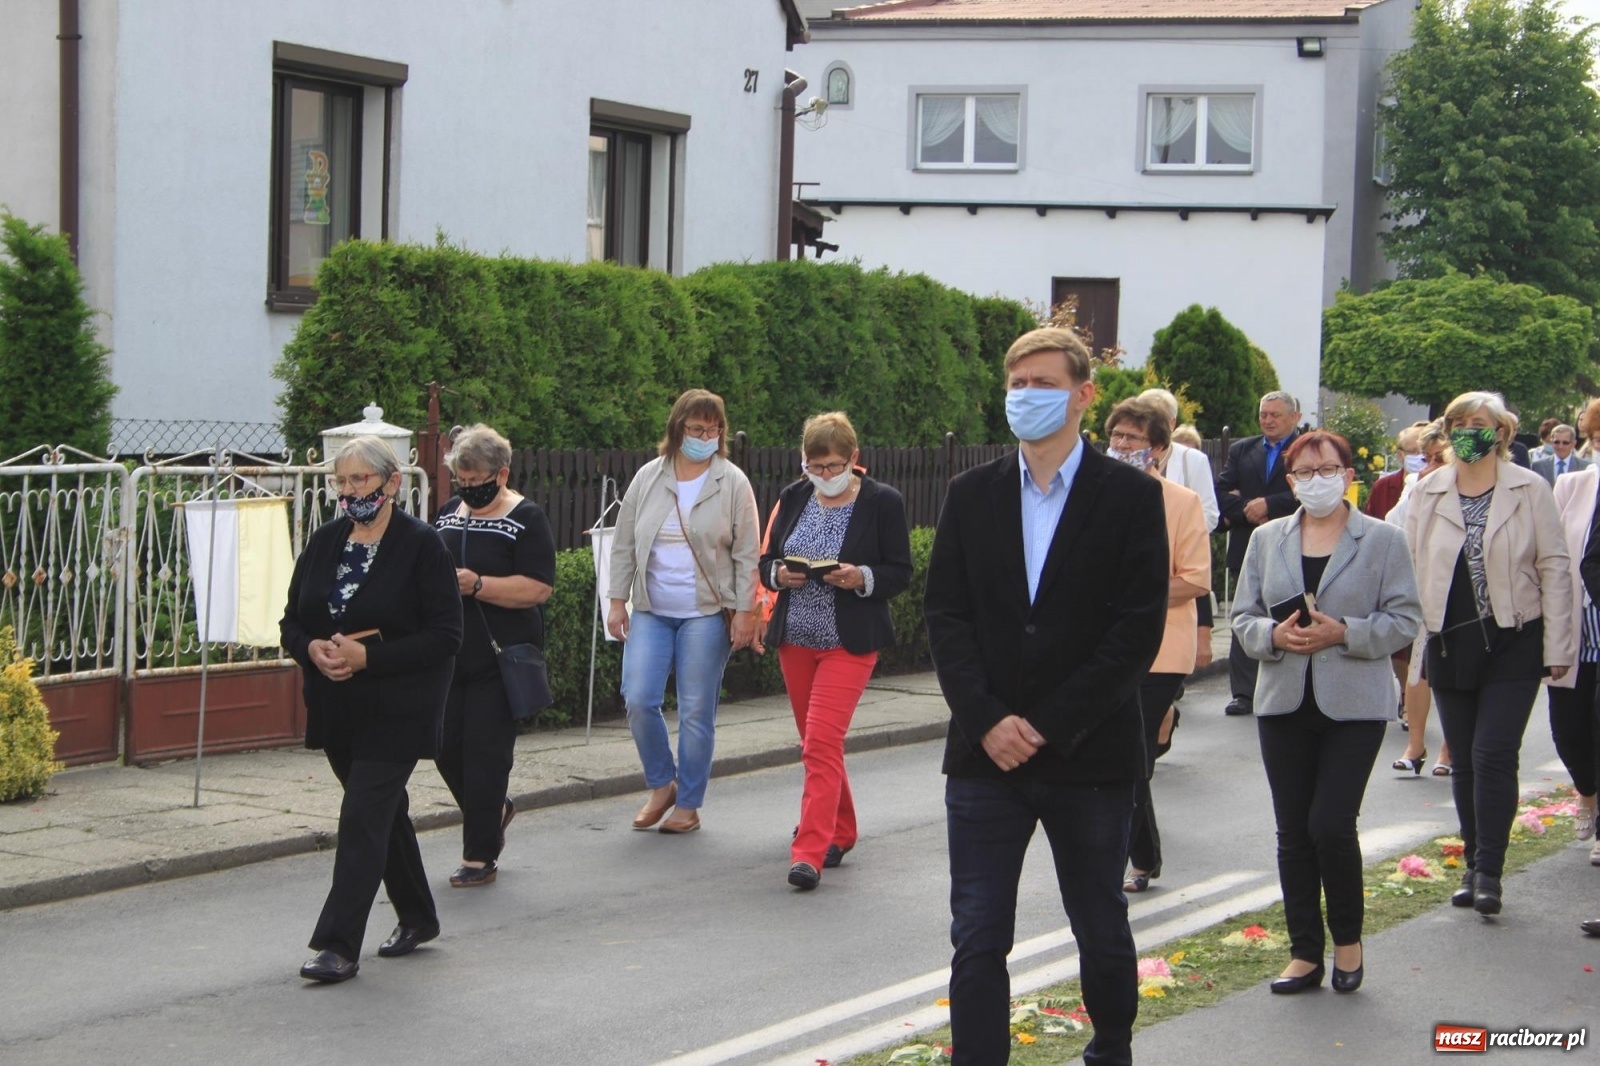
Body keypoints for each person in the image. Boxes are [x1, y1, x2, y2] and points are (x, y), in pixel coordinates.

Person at [925, 327, 1168, 1066]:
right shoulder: (972, 495)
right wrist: (987, 719)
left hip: (1088, 755)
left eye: (1043, 383)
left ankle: (1111, 1048)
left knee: (1099, 920)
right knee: (977, 933)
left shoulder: (1129, 497)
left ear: (1084, 396)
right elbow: (947, 616)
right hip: (983, 756)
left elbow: (1135, 630)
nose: (1026, 396)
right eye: (1017, 384)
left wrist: (1049, 724)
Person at [1233, 430, 1422, 995]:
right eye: (1305, 472)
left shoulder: (1383, 539)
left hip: (1354, 704)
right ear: (1290, 482)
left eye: (1328, 469)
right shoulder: (1267, 538)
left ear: (1346, 475)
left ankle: (1348, 942)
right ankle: (1303, 953)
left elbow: (1405, 619)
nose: (1317, 480)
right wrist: (1274, 635)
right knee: (1293, 830)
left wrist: (1348, 633)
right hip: (1283, 699)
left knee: (1331, 824)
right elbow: (1243, 616)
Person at [280, 436, 463, 982]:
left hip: (400, 707)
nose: (352, 490)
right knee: (384, 815)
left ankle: (338, 945)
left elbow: (446, 636)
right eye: (342, 481)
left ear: (392, 483)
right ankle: (418, 916)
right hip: (337, 707)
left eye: (362, 480)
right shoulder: (325, 542)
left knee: (361, 817)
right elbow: (293, 619)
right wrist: (309, 648)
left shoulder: (421, 545)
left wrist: (369, 657)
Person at [1404, 391, 1572, 917]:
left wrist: (1558, 645)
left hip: (1512, 637)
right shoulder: (1427, 490)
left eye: (1480, 423)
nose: (1468, 432)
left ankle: (1492, 873)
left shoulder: (1529, 487)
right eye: (1458, 423)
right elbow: (1410, 569)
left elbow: (1555, 566)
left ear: (1501, 432)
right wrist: (1413, 645)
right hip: (1450, 640)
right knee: (1464, 760)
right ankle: (1473, 862)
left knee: (1493, 753)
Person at [760, 412, 912, 890]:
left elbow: (900, 571)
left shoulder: (883, 502)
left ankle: (808, 851)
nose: (823, 476)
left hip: (848, 642)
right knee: (817, 746)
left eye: (832, 466)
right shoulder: (794, 495)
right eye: (814, 466)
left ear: (854, 459)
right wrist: (778, 575)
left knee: (821, 744)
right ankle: (841, 830)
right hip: (795, 640)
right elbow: (767, 559)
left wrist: (861, 577)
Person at [607, 389, 761, 834]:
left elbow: (748, 552)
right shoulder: (648, 478)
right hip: (654, 608)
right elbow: (623, 543)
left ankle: (688, 802)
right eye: (696, 429)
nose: (705, 437)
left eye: (713, 430)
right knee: (638, 697)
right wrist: (618, 600)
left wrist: (746, 611)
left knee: (696, 710)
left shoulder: (731, 481)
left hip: (707, 613)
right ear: (678, 430)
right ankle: (662, 782)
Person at [433, 424, 556, 887]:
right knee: (444, 747)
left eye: (476, 478)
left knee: (485, 755)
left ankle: (479, 854)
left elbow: (538, 587)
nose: (468, 487)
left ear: (501, 473)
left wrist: (479, 585)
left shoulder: (527, 518)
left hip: (499, 658)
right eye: (461, 480)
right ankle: (494, 812)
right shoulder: (447, 513)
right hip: (449, 656)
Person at [1102, 399, 1209, 896]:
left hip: (1162, 649)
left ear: (1160, 450)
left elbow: (1194, 580)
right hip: (1101, 648)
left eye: (1133, 439)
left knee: (1133, 751)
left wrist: (1132, 598)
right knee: (1111, 753)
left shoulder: (1180, 502)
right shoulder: (1094, 495)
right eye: (1117, 436)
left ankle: (1133, 856)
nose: (1122, 446)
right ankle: (1141, 852)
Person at [1216, 390, 1304, 716]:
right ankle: (1243, 692)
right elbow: (1222, 493)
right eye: (1263, 414)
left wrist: (1270, 505)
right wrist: (1249, 510)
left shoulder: (1306, 448)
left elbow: (1306, 493)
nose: (1267, 420)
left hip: (1292, 542)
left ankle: (1287, 687)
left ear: (1295, 417)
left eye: (1275, 415)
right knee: (1246, 615)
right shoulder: (1243, 449)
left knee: (1289, 613)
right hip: (1248, 543)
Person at [1387, 422, 1454, 777]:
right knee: (1419, 669)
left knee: (1452, 672)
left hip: (1460, 593)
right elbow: (1394, 523)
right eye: (1424, 458)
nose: (1427, 466)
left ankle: (1449, 747)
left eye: (1437, 459)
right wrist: (1416, 494)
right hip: (1425, 586)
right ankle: (1415, 745)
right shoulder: (1417, 486)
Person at [1553, 462, 1600, 861]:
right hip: (1576, 636)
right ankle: (1587, 790)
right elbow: (1550, 557)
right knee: (1568, 732)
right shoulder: (1572, 486)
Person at [1364, 421, 1429, 522]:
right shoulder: (1383, 486)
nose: (1421, 457)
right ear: (1400, 455)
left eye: (1425, 452)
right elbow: (1369, 524)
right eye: (1413, 452)